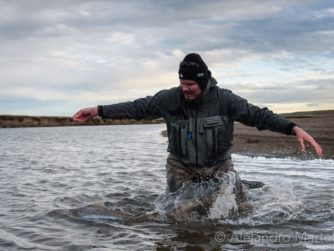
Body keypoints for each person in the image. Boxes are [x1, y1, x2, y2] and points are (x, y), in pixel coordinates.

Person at [73, 53, 323, 194]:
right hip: (181, 167)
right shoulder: (169, 98)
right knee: (179, 216)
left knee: (237, 208)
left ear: (203, 82)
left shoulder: (225, 99)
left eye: (190, 85)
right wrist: (98, 110)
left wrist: (293, 128)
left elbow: (258, 115)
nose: (185, 89)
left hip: (219, 166)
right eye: (182, 83)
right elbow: (136, 107)